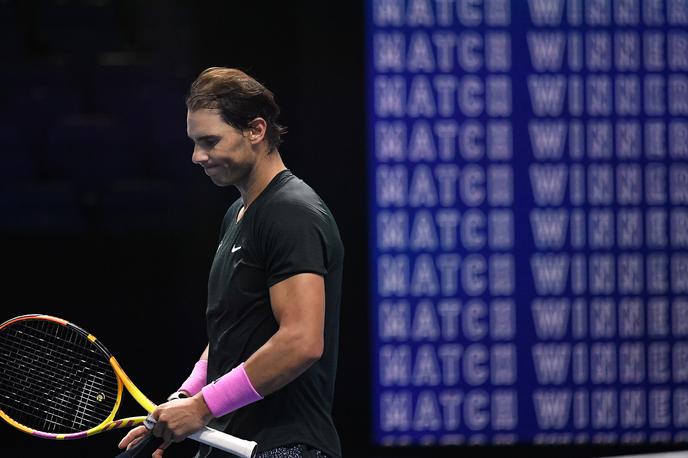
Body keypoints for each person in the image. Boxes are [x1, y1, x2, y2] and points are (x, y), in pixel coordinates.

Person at [118, 67, 344, 458]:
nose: (197, 156)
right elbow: (231, 333)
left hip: (286, 448)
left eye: (209, 141)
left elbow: (302, 341)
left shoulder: (291, 212)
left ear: (256, 130)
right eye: (193, 142)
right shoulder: (238, 213)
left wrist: (202, 408)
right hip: (235, 442)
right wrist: (184, 398)